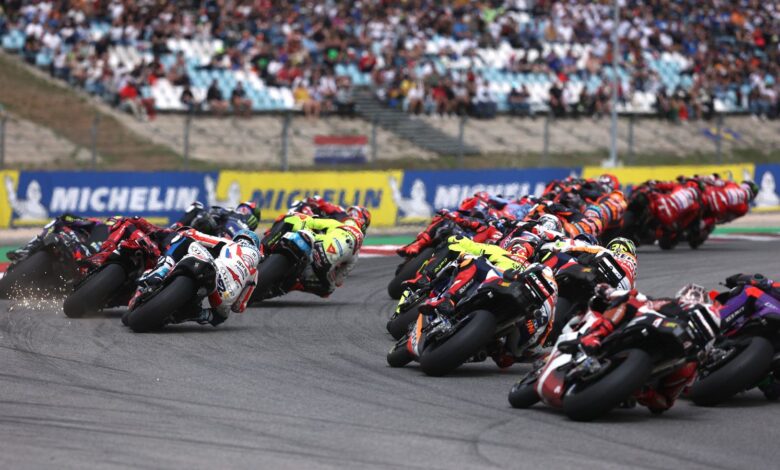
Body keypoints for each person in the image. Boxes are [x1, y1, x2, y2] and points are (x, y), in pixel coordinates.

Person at [561, 283, 720, 412]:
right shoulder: (663, 304)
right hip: (631, 333)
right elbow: (633, 296)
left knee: (627, 300)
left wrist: (643, 391)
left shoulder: (689, 361)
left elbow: (664, 402)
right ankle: (595, 336)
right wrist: (608, 290)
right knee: (627, 300)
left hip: (641, 364)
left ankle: (596, 338)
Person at [137, 229, 262, 326]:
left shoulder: (230, 244)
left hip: (216, 272)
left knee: (185, 239)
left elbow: (195, 235)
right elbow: (238, 307)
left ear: (238, 238)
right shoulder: (255, 273)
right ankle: (198, 314)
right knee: (220, 317)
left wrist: (185, 231)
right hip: (224, 298)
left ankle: (162, 270)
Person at [277, 206, 370, 297]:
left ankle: (273, 246)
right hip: (324, 265)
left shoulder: (336, 224)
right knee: (329, 289)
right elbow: (338, 281)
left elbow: (311, 222)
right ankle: (294, 285)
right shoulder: (355, 256)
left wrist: (297, 218)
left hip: (315, 247)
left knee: (299, 227)